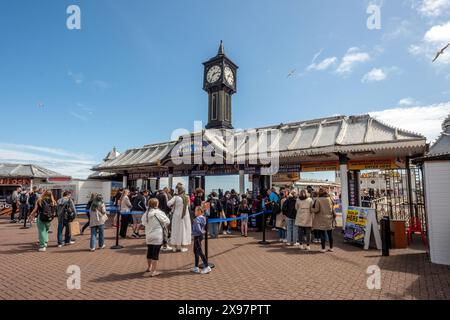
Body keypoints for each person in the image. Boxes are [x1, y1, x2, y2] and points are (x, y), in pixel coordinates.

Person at [141, 198, 170, 277]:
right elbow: (167, 221)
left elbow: (143, 223)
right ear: (157, 204)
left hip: (149, 235)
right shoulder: (159, 212)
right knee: (155, 254)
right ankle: (154, 271)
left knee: (149, 252)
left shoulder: (146, 213)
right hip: (157, 235)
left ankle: (149, 267)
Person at [167, 185, 191, 252]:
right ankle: (181, 247)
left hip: (176, 216)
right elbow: (189, 205)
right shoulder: (187, 197)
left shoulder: (176, 197)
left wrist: (173, 206)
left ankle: (174, 247)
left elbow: (168, 203)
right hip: (185, 216)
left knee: (175, 230)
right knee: (183, 231)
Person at [312, 188, 336, 253]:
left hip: (321, 218)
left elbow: (316, 210)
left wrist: (311, 209)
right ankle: (331, 248)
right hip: (329, 218)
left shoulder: (318, 200)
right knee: (330, 234)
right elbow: (333, 208)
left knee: (322, 233)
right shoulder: (330, 199)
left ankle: (323, 248)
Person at [191, 206, 212, 274]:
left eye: (196, 211)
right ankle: (196, 267)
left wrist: (200, 232)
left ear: (199, 211)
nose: (195, 212)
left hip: (197, 236)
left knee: (199, 251)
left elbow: (198, 229)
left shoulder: (197, 219)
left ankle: (206, 266)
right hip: (199, 236)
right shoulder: (204, 218)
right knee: (196, 251)